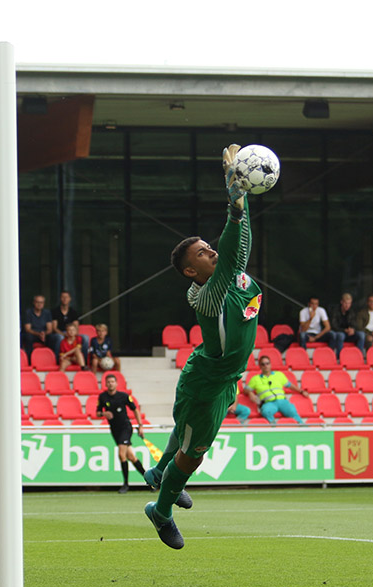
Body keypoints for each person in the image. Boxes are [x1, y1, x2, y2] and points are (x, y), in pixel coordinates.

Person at [142, 144, 258, 549]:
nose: (211, 250)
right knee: (192, 456)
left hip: (224, 377)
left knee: (188, 436)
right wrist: (234, 201)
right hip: (207, 383)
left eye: (210, 245)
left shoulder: (234, 277)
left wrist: (241, 198)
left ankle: (159, 472)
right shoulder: (208, 294)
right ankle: (161, 510)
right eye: (201, 253)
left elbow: (237, 247)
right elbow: (230, 251)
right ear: (192, 271)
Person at [96, 374, 146, 493]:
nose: (110, 384)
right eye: (108, 382)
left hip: (125, 427)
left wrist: (140, 426)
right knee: (131, 457)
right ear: (105, 384)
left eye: (112, 382)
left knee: (121, 455)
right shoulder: (103, 397)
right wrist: (104, 414)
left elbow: (135, 409)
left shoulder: (124, 396)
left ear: (116, 383)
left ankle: (125, 484)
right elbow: (97, 413)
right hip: (115, 430)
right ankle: (151, 481)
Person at [245, 355, 309, 424]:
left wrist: (301, 391)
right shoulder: (255, 379)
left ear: (270, 364)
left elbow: (290, 385)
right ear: (260, 366)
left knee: (292, 411)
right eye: (263, 364)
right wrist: (250, 393)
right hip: (268, 403)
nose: (265, 366)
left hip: (282, 401)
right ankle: (274, 428)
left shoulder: (279, 375)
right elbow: (245, 389)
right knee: (266, 412)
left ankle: (303, 428)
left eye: (267, 363)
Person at [49, 290, 89, 357]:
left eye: (66, 297)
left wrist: (73, 335)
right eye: (63, 297)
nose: (65, 299)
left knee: (86, 337)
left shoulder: (73, 312)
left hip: (71, 333)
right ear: (60, 298)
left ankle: (84, 361)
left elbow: (76, 327)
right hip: (59, 334)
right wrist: (64, 335)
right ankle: (58, 360)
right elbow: (54, 328)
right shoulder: (55, 311)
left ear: (70, 299)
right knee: (60, 338)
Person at [21, 294, 54, 362]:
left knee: (55, 338)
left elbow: (50, 329)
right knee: (28, 337)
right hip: (33, 334)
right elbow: (28, 329)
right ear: (34, 302)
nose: (39, 304)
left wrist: (44, 334)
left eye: (41, 302)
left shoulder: (47, 313)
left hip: (44, 334)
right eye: (37, 302)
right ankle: (29, 360)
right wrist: (38, 334)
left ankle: (54, 360)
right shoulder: (28, 312)